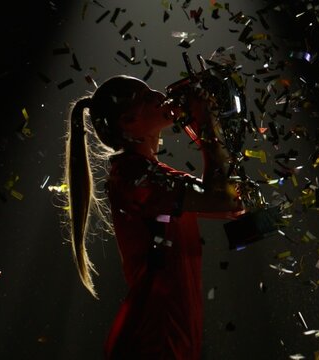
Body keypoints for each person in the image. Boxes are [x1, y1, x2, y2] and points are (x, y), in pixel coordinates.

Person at [63, 74, 244, 359]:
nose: (161, 95)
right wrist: (207, 123)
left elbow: (234, 205)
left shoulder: (155, 175)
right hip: (154, 340)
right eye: (147, 97)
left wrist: (209, 129)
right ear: (128, 122)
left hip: (173, 335)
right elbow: (223, 198)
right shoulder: (134, 177)